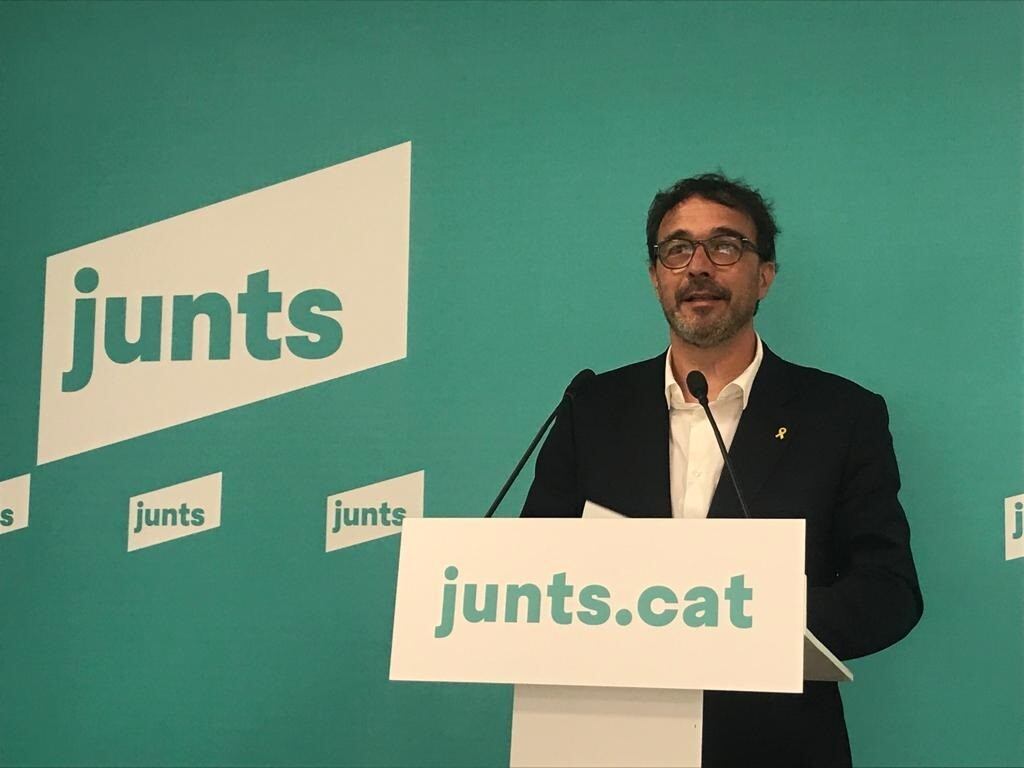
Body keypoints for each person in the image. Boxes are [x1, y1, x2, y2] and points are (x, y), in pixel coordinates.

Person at [520, 173, 923, 767]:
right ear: (655, 275)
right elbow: (531, 569)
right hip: (605, 736)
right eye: (677, 249)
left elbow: (888, 590)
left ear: (765, 275)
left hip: (774, 743)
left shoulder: (842, 415)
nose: (699, 267)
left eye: (725, 246)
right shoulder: (591, 409)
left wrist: (751, 619)